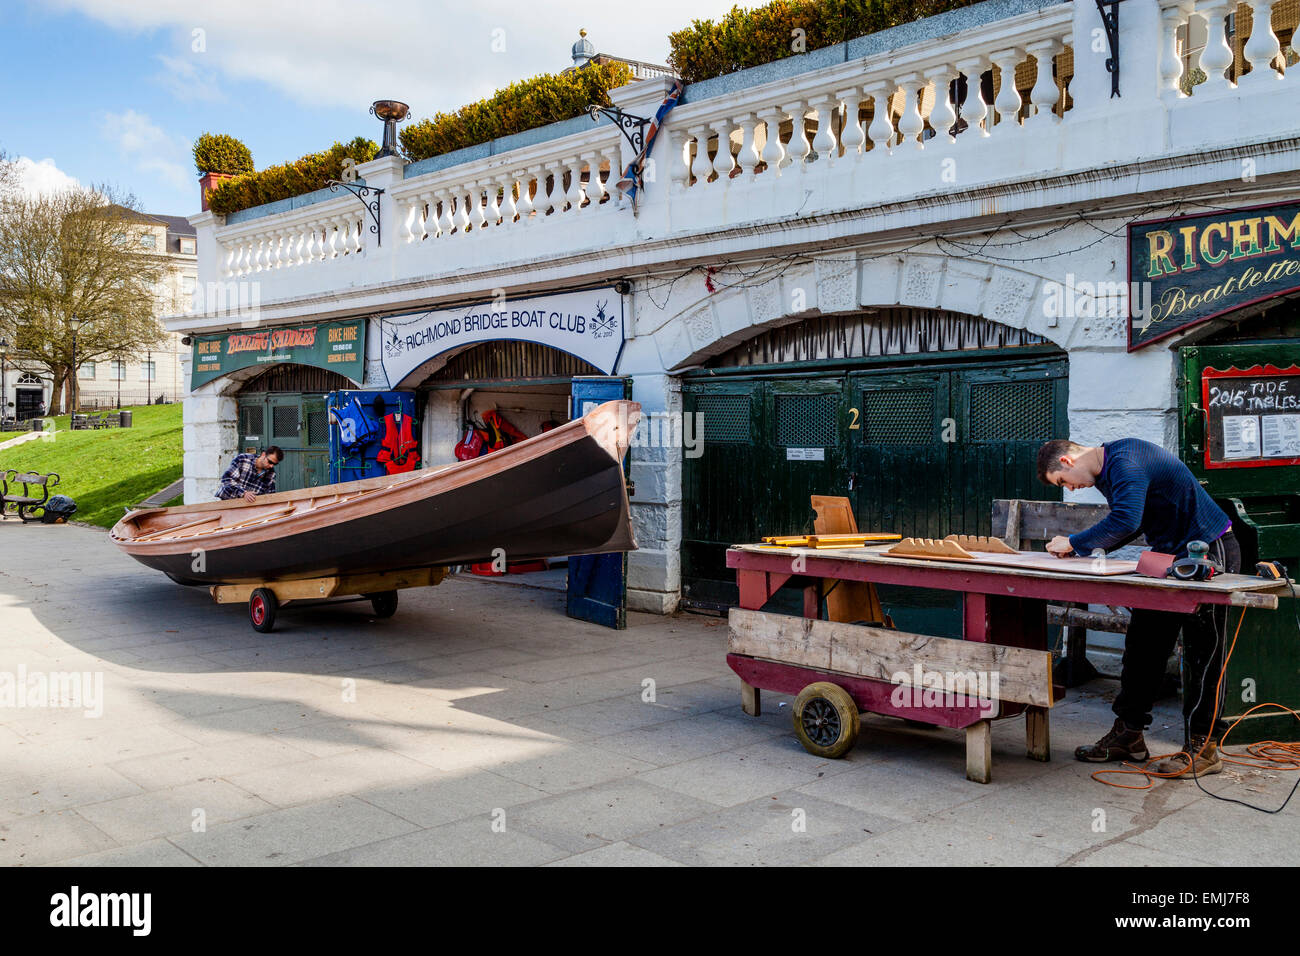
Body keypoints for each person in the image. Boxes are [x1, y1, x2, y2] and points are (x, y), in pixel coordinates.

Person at [1036, 437, 1239, 777]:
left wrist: (1073, 541)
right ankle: (1129, 734)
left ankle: (1204, 748)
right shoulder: (1108, 470)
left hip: (1208, 550)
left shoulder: (1126, 461)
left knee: (1205, 652)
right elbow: (1135, 520)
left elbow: (1127, 520)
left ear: (1068, 461)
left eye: (1062, 482)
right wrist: (1081, 550)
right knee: (1144, 646)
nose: (1069, 491)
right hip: (1169, 557)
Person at [216, 446, 283, 503]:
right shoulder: (243, 459)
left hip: (249, 508)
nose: (271, 466)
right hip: (228, 502)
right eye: (270, 462)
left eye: (275, 464)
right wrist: (243, 493)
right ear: (263, 455)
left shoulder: (271, 473)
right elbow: (227, 479)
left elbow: (270, 496)